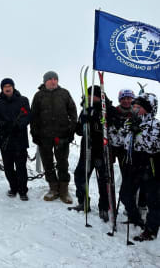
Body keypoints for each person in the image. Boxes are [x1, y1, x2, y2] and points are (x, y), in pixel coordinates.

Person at [111, 93, 160, 241]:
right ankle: (135, 218)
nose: (135, 109)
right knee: (125, 194)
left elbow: (153, 146)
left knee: (153, 199)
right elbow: (119, 141)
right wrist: (111, 130)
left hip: (150, 164)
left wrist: (138, 132)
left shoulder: (155, 124)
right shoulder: (129, 122)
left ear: (148, 109)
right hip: (132, 162)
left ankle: (151, 230)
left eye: (139, 107)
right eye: (135, 106)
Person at [72, 86, 118, 221]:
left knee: (103, 179)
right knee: (80, 175)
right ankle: (83, 201)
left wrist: (96, 120)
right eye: (88, 96)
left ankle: (104, 207)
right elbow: (79, 131)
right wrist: (83, 122)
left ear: (100, 96)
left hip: (102, 150)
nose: (91, 98)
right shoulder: (85, 110)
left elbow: (113, 128)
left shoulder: (108, 110)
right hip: (87, 149)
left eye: (93, 96)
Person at [31, 71, 77, 204]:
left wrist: (70, 131)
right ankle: (53, 188)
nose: (53, 81)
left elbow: (73, 112)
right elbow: (34, 117)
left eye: (55, 79)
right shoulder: (39, 96)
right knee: (48, 163)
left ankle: (64, 190)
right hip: (44, 136)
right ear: (45, 81)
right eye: (50, 79)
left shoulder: (64, 94)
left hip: (62, 136)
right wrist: (35, 134)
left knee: (63, 163)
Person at [0, 78, 31, 200]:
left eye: (9, 86)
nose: (7, 88)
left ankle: (23, 190)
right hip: (5, 140)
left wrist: (19, 125)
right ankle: (13, 188)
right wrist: (4, 125)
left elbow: (28, 116)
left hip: (20, 140)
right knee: (8, 167)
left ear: (13, 87)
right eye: (5, 86)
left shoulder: (23, 100)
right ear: (2, 89)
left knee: (21, 167)